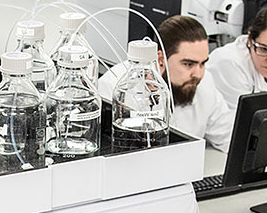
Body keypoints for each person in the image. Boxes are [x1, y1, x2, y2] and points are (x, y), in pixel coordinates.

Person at [96, 15, 232, 152]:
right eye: (188, 64)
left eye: (203, 63)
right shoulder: (113, 87)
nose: (198, 74)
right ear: (160, 59)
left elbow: (228, 138)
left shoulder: (203, 82)